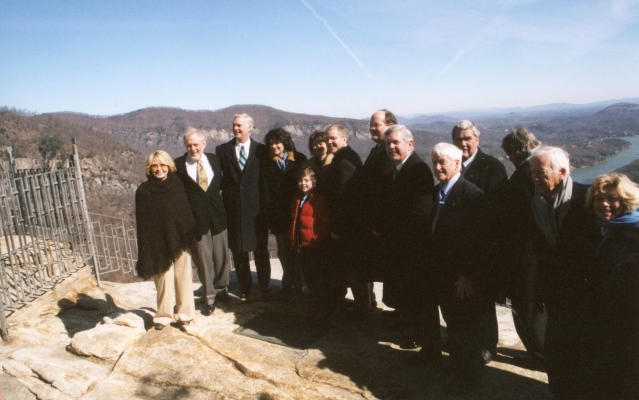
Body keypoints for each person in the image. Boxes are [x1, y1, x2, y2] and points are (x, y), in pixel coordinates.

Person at [528, 146, 600, 399]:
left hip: (586, 295)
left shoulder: (587, 201)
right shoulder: (536, 204)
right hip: (554, 294)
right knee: (557, 352)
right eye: (533, 172)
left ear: (562, 172)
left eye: (541, 172)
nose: (535, 178)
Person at [375, 125, 438, 365]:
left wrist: (394, 235)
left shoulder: (417, 170)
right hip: (400, 246)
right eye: (388, 143)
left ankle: (425, 342)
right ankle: (417, 334)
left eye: (396, 143)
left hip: (413, 248)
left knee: (419, 298)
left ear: (410, 145)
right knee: (410, 296)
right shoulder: (399, 169)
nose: (391, 147)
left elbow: (419, 213)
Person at [430, 143, 488, 395]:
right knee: (453, 325)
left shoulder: (472, 196)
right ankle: (457, 368)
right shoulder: (437, 192)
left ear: (458, 164)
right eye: (434, 162)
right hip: (443, 274)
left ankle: (470, 381)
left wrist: (468, 275)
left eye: (443, 162)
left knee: (466, 329)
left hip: (462, 278)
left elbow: (480, 241)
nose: (438, 167)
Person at [451, 119, 508, 362]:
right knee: (463, 300)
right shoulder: (453, 165)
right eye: (458, 139)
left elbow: (497, 212)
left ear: (477, 140)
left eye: (467, 138)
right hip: (459, 244)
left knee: (482, 300)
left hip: (483, 245)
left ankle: (487, 345)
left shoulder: (492, 167)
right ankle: (465, 340)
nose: (463, 143)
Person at [583, 173, 639, 399]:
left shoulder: (632, 236)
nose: (604, 204)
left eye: (612, 199)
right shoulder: (606, 230)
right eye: (598, 198)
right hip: (610, 327)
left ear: (625, 201)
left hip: (628, 331)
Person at [135, 151, 199, 330]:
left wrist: (185, 234)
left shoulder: (177, 184)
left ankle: (185, 314)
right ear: (149, 168)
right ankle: (163, 315)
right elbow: (143, 223)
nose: (159, 169)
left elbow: (183, 212)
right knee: (163, 279)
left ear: (169, 166)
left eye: (162, 165)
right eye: (154, 166)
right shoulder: (143, 191)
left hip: (180, 238)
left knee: (183, 277)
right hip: (157, 242)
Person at [499, 128, 546, 365]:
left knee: (526, 308)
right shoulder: (540, 172)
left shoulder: (520, 179)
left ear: (513, 153)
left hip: (524, 256)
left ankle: (538, 356)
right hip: (542, 253)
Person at [174, 128, 230, 315]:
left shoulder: (214, 160)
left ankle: (222, 290)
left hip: (218, 216)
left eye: (196, 144)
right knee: (203, 261)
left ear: (204, 144)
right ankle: (210, 297)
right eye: (189, 145)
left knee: (222, 256)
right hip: (196, 221)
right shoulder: (179, 166)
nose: (193, 148)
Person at [216, 113, 270, 299]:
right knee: (238, 250)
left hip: (256, 209)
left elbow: (265, 181)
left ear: (249, 127)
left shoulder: (261, 150)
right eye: (234, 125)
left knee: (260, 249)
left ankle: (264, 285)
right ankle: (245, 286)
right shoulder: (222, 150)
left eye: (239, 125)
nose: (236, 128)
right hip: (234, 208)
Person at [320, 124, 369, 313]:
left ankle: (361, 306)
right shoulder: (344, 157)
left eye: (333, 138)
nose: (330, 142)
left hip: (348, 227)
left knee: (353, 268)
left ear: (344, 139)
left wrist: (336, 227)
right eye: (328, 138)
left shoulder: (344, 162)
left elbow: (343, 198)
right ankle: (362, 304)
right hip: (350, 225)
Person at [262, 128, 307, 294]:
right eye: (271, 144)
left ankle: (300, 283)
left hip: (297, 213)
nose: (274, 146)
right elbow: (265, 191)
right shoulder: (267, 163)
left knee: (297, 251)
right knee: (283, 252)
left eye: (277, 143)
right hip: (278, 216)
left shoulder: (299, 159)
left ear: (285, 143)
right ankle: (287, 282)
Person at [289, 167, 331, 315]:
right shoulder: (297, 198)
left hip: (313, 245)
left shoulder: (317, 200)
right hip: (301, 244)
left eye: (306, 180)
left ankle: (320, 308)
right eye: (300, 180)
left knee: (316, 276)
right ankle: (313, 305)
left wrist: (315, 239)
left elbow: (324, 223)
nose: (303, 183)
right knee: (307, 275)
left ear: (313, 182)